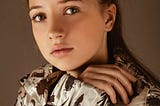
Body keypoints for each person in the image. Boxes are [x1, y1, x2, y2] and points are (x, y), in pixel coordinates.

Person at [15, 0, 160, 106]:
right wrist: (73, 93)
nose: (53, 32)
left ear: (108, 18)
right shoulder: (35, 88)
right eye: (39, 16)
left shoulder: (144, 101)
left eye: (71, 10)